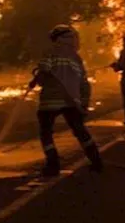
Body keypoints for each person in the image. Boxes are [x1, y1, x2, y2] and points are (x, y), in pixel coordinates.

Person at [28, 24, 105, 177]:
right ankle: (96, 162)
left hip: (50, 100)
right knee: (79, 130)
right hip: (72, 101)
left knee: (46, 132)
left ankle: (53, 165)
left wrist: (35, 80)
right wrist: (84, 103)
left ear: (56, 38)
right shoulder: (76, 58)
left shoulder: (51, 52)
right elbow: (84, 83)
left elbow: (43, 73)